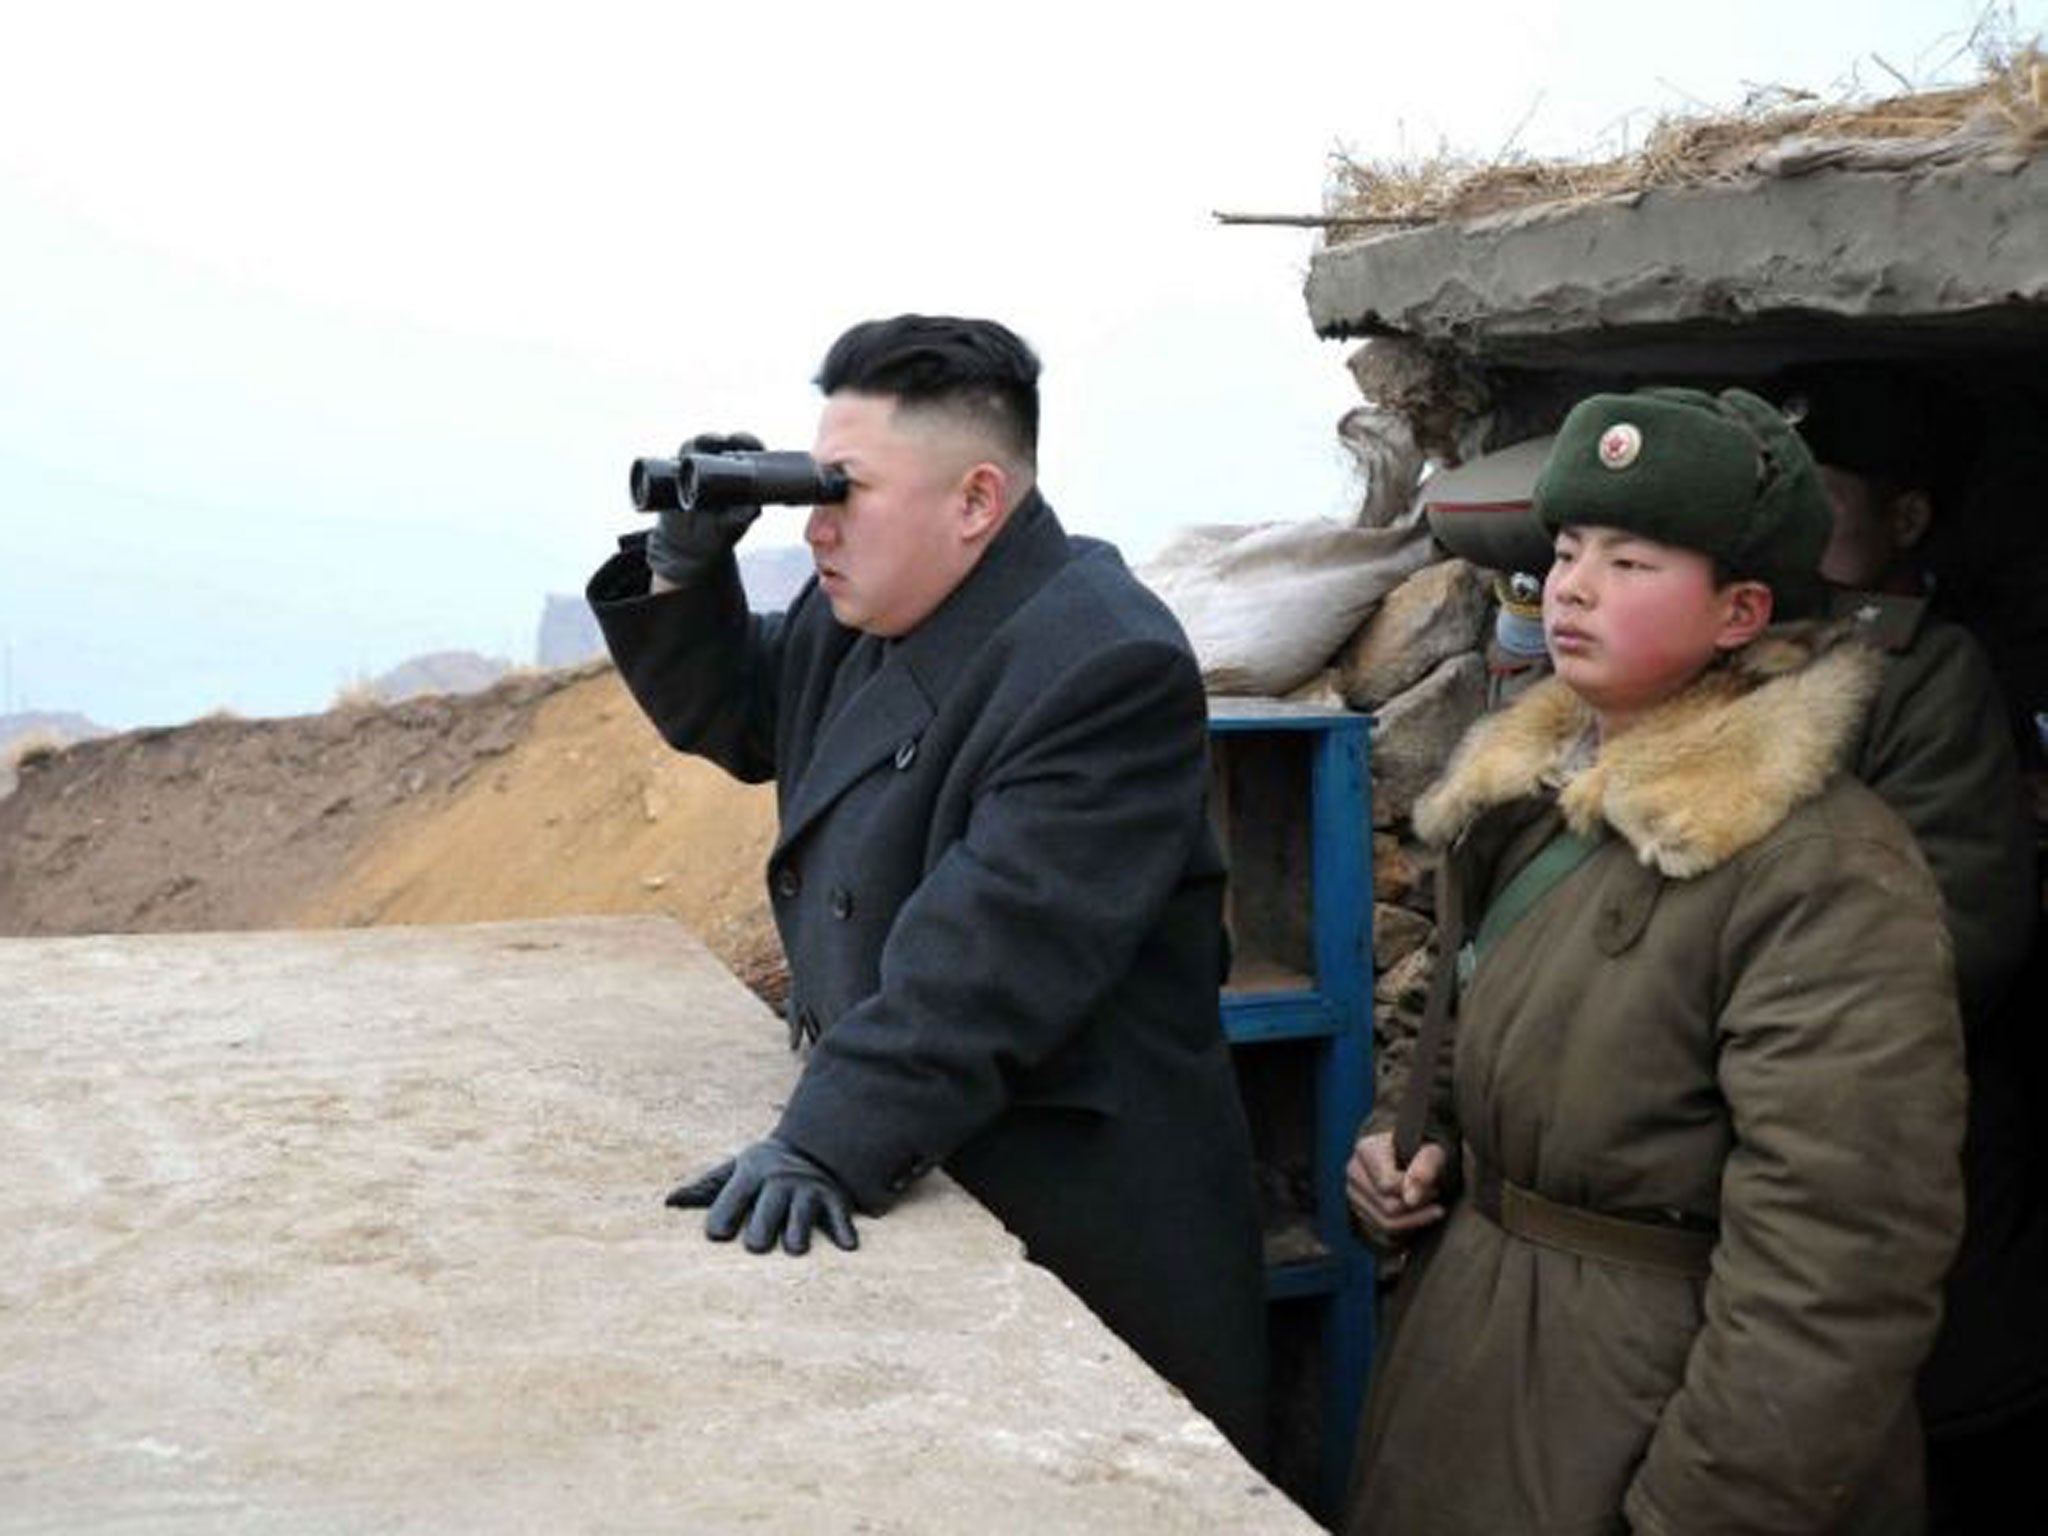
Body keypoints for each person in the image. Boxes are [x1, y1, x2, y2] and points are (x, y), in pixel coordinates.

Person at [585, 314, 1268, 1459]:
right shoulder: (872, 609)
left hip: (1076, 1216)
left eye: (845, 492)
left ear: (974, 501)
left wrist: (822, 1141)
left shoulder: (1103, 663)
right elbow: (741, 711)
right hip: (945, 1147)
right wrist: (681, 567)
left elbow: (988, 954)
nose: (815, 528)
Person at [1343, 386, 1966, 1533]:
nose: (1570, 585)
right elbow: (1483, 1007)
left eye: (1630, 563)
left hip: (1641, 1414)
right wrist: (1406, 1134)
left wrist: (1698, 1512)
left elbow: (1836, 1268)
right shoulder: (1529, 808)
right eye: (1569, 549)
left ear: (1738, 612)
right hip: (1470, 1360)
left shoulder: (1822, 874)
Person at [1787, 364, 2048, 1532]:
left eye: (1824, 492)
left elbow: (1962, 936)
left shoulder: (1930, 672)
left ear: (1905, 518)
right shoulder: (1761, 649)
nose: (1796, 519)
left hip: (1904, 1156)